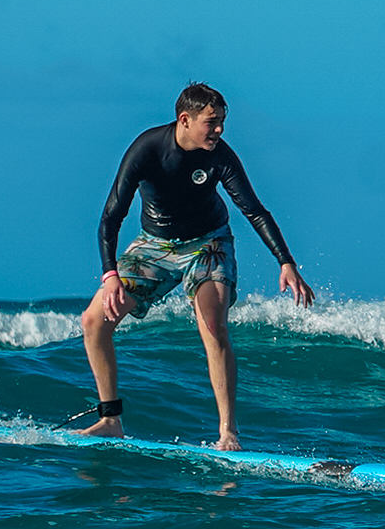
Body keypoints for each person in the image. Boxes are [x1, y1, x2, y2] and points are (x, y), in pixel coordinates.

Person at [79, 83, 313, 450]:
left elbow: (253, 210)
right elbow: (111, 217)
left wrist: (286, 262)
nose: (219, 130)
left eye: (222, 122)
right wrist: (110, 276)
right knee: (93, 321)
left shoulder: (220, 157)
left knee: (212, 322)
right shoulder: (148, 149)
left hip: (209, 243)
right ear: (185, 120)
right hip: (154, 246)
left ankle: (228, 433)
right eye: (212, 122)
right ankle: (110, 419)